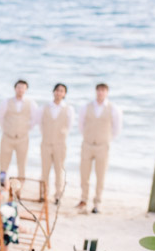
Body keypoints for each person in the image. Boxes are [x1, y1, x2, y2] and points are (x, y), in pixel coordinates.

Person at [77, 83, 122, 214]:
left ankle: (97, 202)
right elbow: (81, 125)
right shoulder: (86, 107)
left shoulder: (113, 109)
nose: (101, 93)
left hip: (103, 146)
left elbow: (116, 129)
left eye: (103, 91)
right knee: (84, 173)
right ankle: (83, 199)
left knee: (100, 175)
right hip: (87, 144)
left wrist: (106, 139)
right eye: (99, 90)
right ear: (96, 91)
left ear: (107, 92)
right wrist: (88, 136)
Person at [35, 83, 74, 203]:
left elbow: (69, 126)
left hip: (60, 144)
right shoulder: (45, 107)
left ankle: (58, 196)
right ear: (53, 92)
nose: (59, 93)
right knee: (44, 170)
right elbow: (40, 124)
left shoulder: (68, 109)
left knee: (59, 170)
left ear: (64, 94)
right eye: (57, 90)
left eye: (62, 91)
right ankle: (43, 194)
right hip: (46, 143)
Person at [0, 79, 37, 180]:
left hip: (23, 138)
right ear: (15, 88)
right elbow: (0, 117)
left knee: (22, 164)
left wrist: (25, 129)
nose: (20, 90)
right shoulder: (6, 102)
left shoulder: (30, 103)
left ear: (26, 89)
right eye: (18, 87)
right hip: (7, 137)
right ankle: (2, 185)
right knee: (3, 164)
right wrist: (7, 129)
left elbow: (34, 119)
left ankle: (20, 189)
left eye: (23, 88)